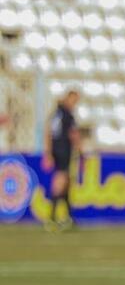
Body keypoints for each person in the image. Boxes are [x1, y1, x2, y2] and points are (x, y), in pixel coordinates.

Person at [42, 90, 80, 230]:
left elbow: (48, 132)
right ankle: (51, 218)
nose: (75, 103)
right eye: (74, 100)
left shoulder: (57, 113)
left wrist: (49, 152)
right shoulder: (67, 114)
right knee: (61, 182)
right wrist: (81, 152)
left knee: (65, 183)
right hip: (63, 151)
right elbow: (73, 135)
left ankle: (68, 217)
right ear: (68, 99)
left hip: (57, 151)